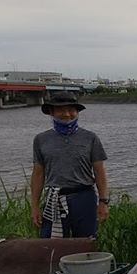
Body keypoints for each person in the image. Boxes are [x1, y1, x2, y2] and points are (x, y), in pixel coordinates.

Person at [30, 92, 109, 238]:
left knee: (86, 244)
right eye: (60, 110)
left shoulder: (90, 138)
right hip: (54, 198)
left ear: (77, 112)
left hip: (84, 197)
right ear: (51, 112)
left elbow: (99, 171)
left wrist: (103, 201)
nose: (66, 114)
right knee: (51, 246)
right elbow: (38, 173)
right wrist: (34, 206)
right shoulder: (41, 140)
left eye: (71, 110)